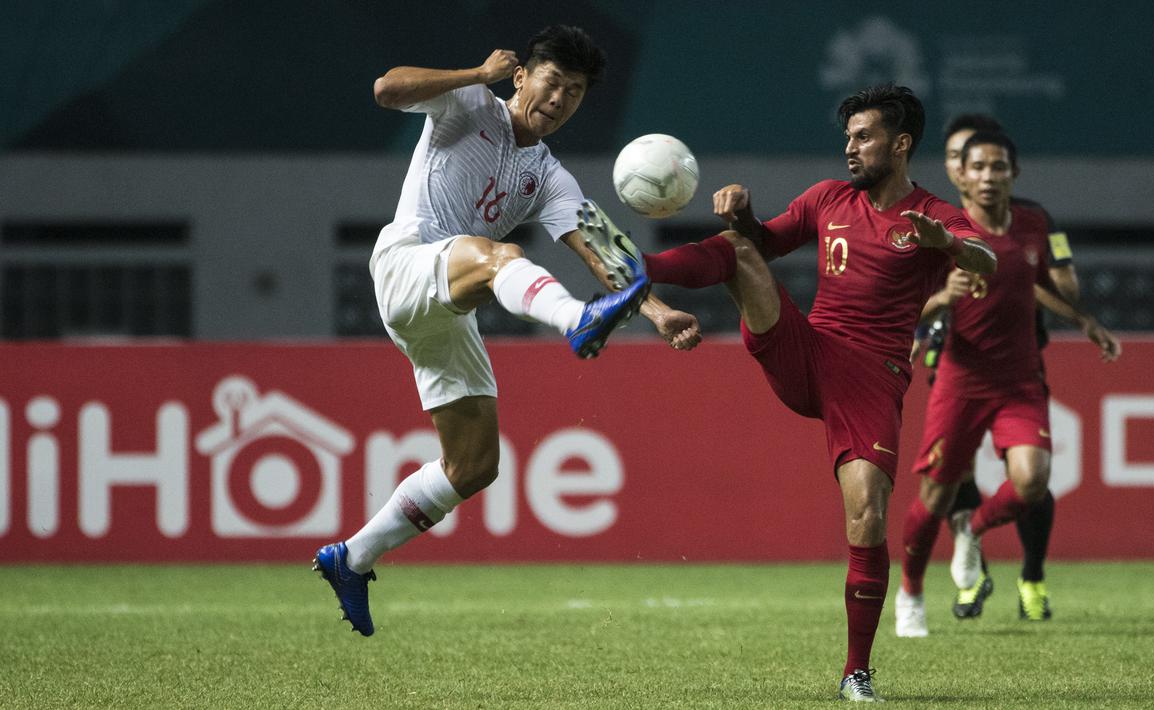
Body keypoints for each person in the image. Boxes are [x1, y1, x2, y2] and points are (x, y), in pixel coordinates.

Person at [578, 84, 996, 702]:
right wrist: (742, 212)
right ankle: (637, 269)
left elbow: (986, 260)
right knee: (741, 251)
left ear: (901, 143)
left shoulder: (933, 215)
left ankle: (857, 671)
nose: (849, 148)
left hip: (871, 378)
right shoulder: (828, 198)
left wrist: (949, 245)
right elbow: (762, 241)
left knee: (868, 515)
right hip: (808, 350)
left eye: (864, 137)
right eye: (847, 137)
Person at [312, 25, 702, 637]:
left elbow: (602, 249)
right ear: (522, 75)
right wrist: (476, 74)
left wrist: (656, 314)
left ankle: (353, 558)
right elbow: (387, 89)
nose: (560, 99)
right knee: (499, 256)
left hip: (448, 306)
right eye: (553, 82)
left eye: (575, 92)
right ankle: (576, 321)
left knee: (473, 467)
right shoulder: (468, 103)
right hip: (407, 263)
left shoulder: (548, 175)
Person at [894, 131, 1120, 639]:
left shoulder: (1034, 224)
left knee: (1032, 482)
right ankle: (909, 590)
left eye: (998, 167)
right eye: (978, 168)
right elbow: (908, 305)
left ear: (1014, 174)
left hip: (1020, 378)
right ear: (961, 175)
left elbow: (1035, 284)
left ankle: (972, 531)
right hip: (960, 379)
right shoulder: (944, 232)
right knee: (935, 495)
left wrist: (1084, 320)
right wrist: (941, 300)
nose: (988, 176)